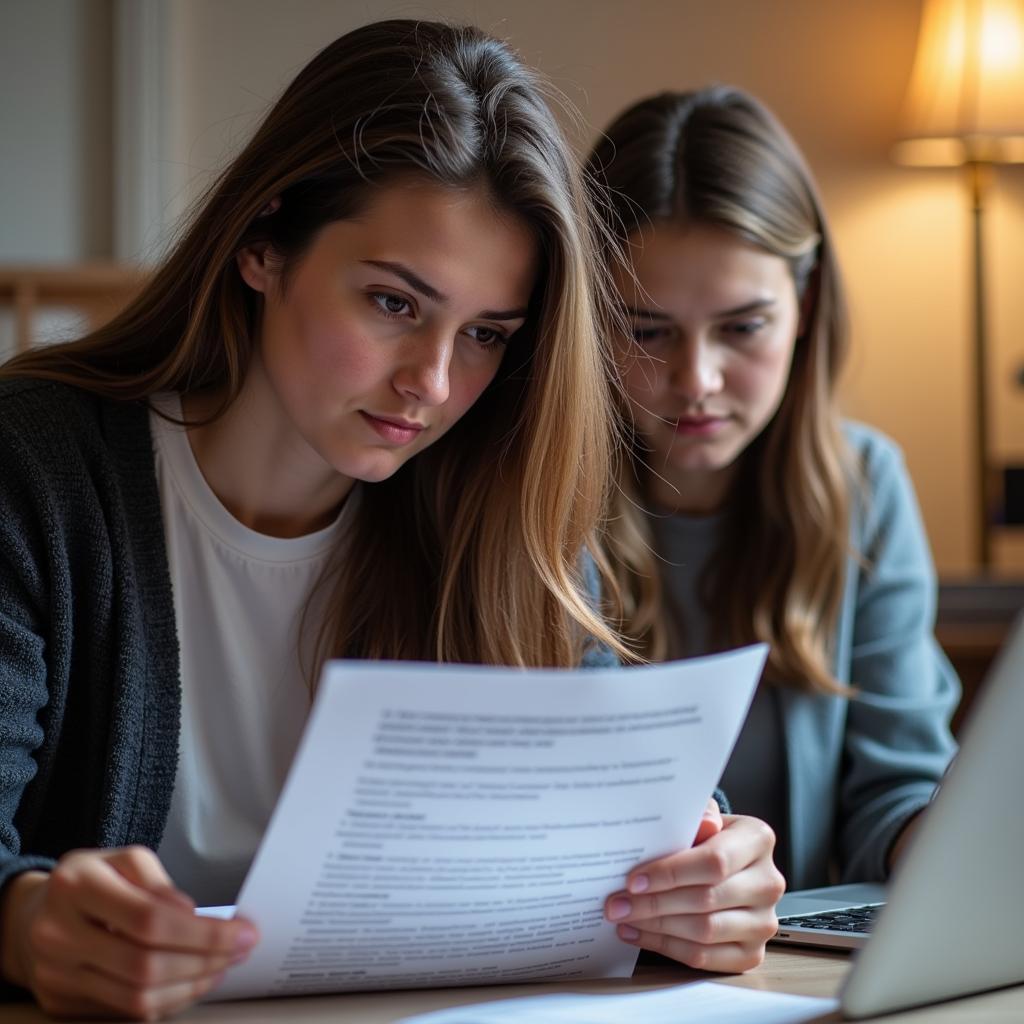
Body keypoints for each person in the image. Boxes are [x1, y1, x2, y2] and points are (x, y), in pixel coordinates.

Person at [0, 26, 780, 1021]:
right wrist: (30, 927)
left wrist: (697, 875)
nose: (435, 382)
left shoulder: (501, 506)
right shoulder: (36, 471)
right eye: (392, 302)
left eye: (488, 334)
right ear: (262, 243)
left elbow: (605, 846)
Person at [588, 86, 959, 897]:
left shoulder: (866, 486)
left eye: (742, 326)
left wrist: (946, 840)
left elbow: (895, 788)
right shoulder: (539, 503)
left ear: (806, 305)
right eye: (646, 330)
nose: (697, 381)